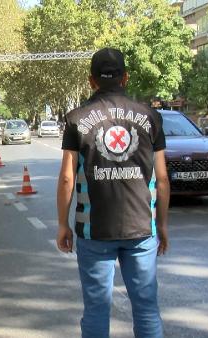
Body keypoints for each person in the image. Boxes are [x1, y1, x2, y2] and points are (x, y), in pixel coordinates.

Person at [56, 48, 170, 338]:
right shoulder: (150, 117)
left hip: (94, 232)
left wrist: (62, 224)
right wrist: (163, 226)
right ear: (126, 77)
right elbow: (163, 178)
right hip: (142, 229)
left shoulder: (75, 119)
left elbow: (68, 178)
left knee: (95, 309)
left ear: (91, 80)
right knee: (146, 308)